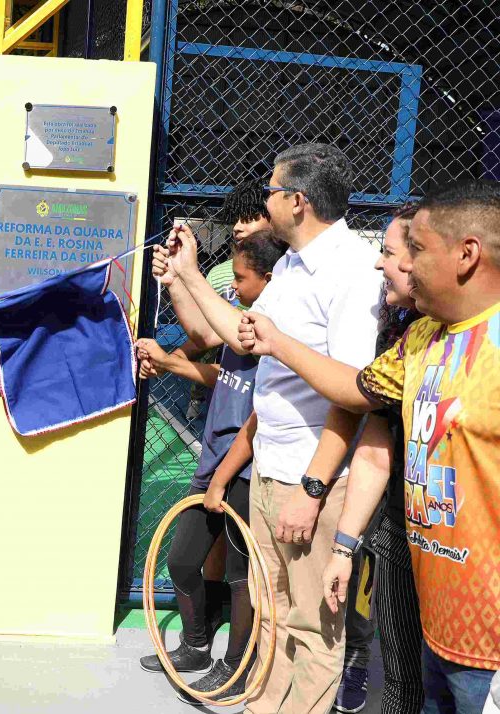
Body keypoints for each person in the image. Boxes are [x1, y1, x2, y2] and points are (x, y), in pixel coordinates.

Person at [239, 179, 500, 713]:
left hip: (489, 643)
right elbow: (357, 396)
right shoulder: (423, 337)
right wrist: (344, 547)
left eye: (416, 250)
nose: (394, 266)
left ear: (467, 255)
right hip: (436, 618)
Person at [154, 143, 383, 714]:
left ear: (298, 201)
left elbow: (354, 391)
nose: (265, 200)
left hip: (309, 483)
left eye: (272, 191)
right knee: (271, 611)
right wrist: (186, 274)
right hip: (268, 474)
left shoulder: (351, 270)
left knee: (313, 629)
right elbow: (242, 336)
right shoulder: (289, 265)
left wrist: (312, 490)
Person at [236, 203, 425, 714]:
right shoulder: (411, 338)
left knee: (325, 631)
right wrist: (345, 546)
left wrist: (315, 488)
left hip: (461, 563)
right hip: (387, 523)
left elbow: (350, 397)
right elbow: (369, 418)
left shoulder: (478, 342)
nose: (378, 264)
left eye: (391, 252)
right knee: (407, 679)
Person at [137, 230, 287, 704]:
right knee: (182, 560)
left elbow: (258, 416)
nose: (234, 287)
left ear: (268, 279)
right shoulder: (237, 322)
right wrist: (169, 358)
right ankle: (196, 646)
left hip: (243, 469)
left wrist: (224, 476)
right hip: (213, 460)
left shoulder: (273, 331)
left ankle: (235, 666)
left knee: (244, 578)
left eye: (241, 279)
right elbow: (215, 362)